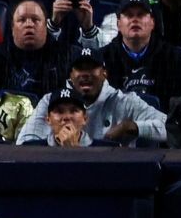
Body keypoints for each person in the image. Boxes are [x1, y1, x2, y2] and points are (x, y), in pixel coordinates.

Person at [16, 47, 167, 146]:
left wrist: (133, 127)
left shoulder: (125, 102)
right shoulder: (52, 101)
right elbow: (23, 144)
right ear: (71, 75)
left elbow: (170, 128)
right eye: (79, 69)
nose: (85, 74)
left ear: (104, 73)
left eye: (92, 68)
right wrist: (56, 144)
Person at [101, 0, 181, 110]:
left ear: (152, 22)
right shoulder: (102, 59)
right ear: (118, 24)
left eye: (141, 15)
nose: (135, 19)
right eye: (128, 15)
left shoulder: (176, 59)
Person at [4, 0, 73, 99]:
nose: (29, 24)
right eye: (22, 20)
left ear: (46, 26)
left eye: (35, 20)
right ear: (12, 28)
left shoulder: (66, 56)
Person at [40, 0, 114, 50]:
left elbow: (110, 52)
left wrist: (89, 29)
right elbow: (34, 48)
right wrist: (53, 25)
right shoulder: (38, 7)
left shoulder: (108, 12)